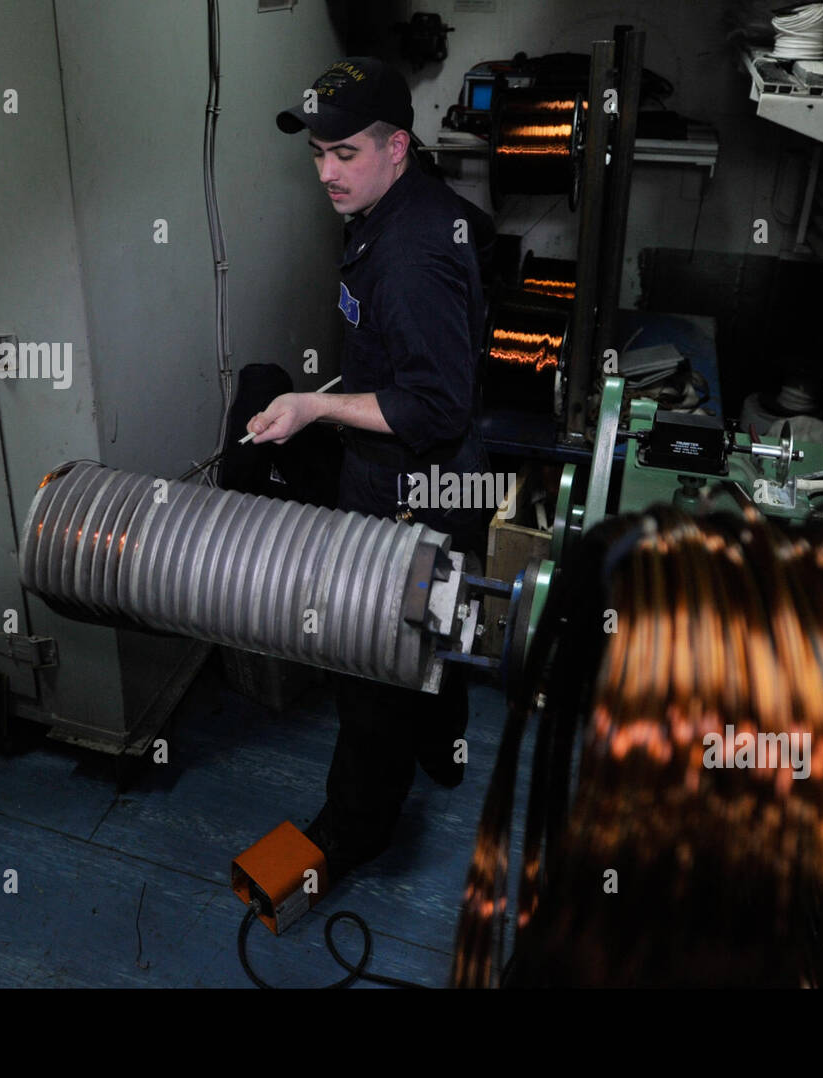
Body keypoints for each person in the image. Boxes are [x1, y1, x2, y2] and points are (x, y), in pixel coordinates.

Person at [249, 57, 495, 882]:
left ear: (399, 147)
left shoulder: (411, 253)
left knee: (373, 670)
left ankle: (352, 833)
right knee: (433, 635)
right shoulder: (399, 210)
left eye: (346, 153)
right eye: (317, 153)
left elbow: (433, 409)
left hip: (410, 488)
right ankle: (444, 747)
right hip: (427, 480)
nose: (326, 172)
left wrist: (317, 408)